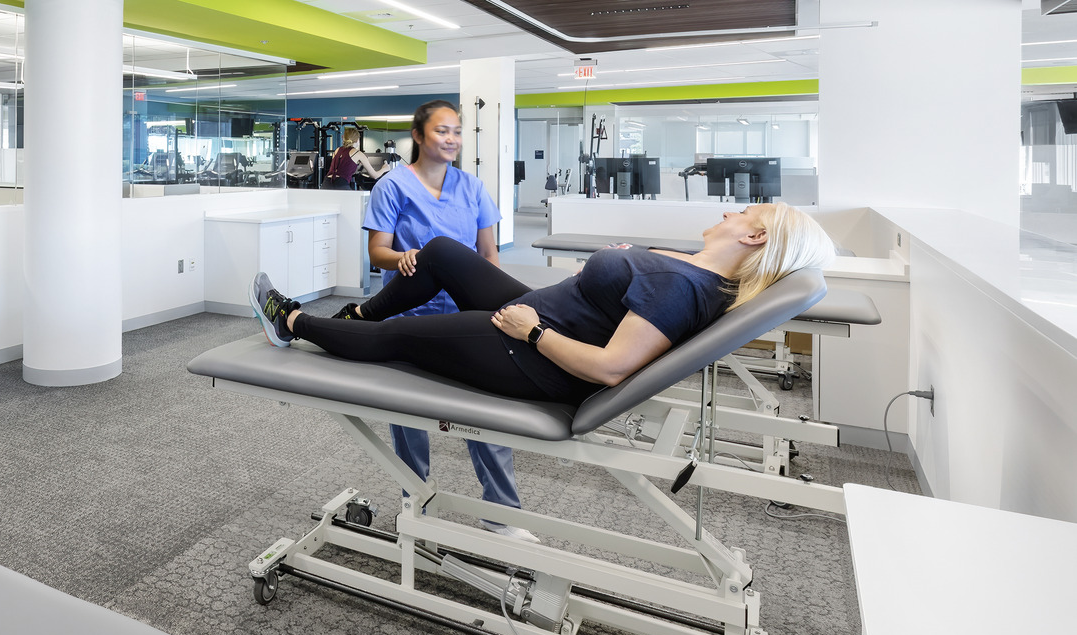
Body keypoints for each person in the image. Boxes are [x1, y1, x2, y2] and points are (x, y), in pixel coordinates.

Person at [249, 203, 836, 407]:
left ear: (754, 239)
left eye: (743, 216)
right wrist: (621, 260)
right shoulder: (697, 268)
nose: (730, 214)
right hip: (543, 308)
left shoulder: (685, 288)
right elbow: (646, 272)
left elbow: (612, 368)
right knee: (444, 253)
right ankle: (361, 314)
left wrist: (531, 332)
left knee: (411, 338)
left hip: (535, 354)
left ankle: (294, 321)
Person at [347, 100, 530, 541]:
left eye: (457, 132)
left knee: (486, 411)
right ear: (419, 135)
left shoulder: (471, 187)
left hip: (468, 316)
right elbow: (378, 253)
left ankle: (501, 513)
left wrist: (503, 307)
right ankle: (416, 501)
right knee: (409, 415)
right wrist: (403, 257)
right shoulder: (391, 187)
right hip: (411, 314)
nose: (451, 139)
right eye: (442, 131)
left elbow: (489, 256)